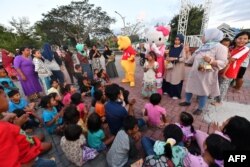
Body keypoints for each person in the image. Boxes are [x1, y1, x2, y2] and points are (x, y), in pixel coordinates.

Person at [0, 89, 56, 167]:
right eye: (4, 96)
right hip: (27, 156)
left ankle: (35, 145)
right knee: (51, 160)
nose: (7, 99)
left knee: (41, 136)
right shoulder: (3, 131)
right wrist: (31, 162)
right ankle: (37, 153)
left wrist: (9, 119)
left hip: (26, 139)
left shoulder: (4, 120)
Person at [179, 28, 228, 115]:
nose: (202, 37)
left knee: (203, 90)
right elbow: (193, 58)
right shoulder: (203, 46)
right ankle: (187, 101)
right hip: (195, 72)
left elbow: (223, 62)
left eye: (204, 35)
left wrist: (211, 61)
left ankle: (200, 108)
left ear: (211, 36)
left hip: (206, 74)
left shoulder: (221, 47)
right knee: (189, 87)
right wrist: (185, 58)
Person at [213, 31, 250, 105]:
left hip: (230, 71)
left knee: (223, 86)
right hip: (222, 68)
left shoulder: (245, 49)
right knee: (219, 84)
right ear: (236, 39)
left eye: (245, 39)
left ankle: (219, 101)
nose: (242, 40)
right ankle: (215, 98)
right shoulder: (232, 47)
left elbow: (231, 59)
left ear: (248, 40)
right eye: (240, 38)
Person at [163, 34, 190, 99]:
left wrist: (175, 59)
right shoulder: (171, 47)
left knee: (176, 79)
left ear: (181, 40)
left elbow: (184, 58)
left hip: (178, 67)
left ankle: (175, 94)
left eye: (178, 40)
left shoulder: (182, 48)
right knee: (169, 78)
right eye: (175, 39)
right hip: (170, 66)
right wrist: (167, 57)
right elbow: (168, 56)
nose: (176, 41)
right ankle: (168, 91)